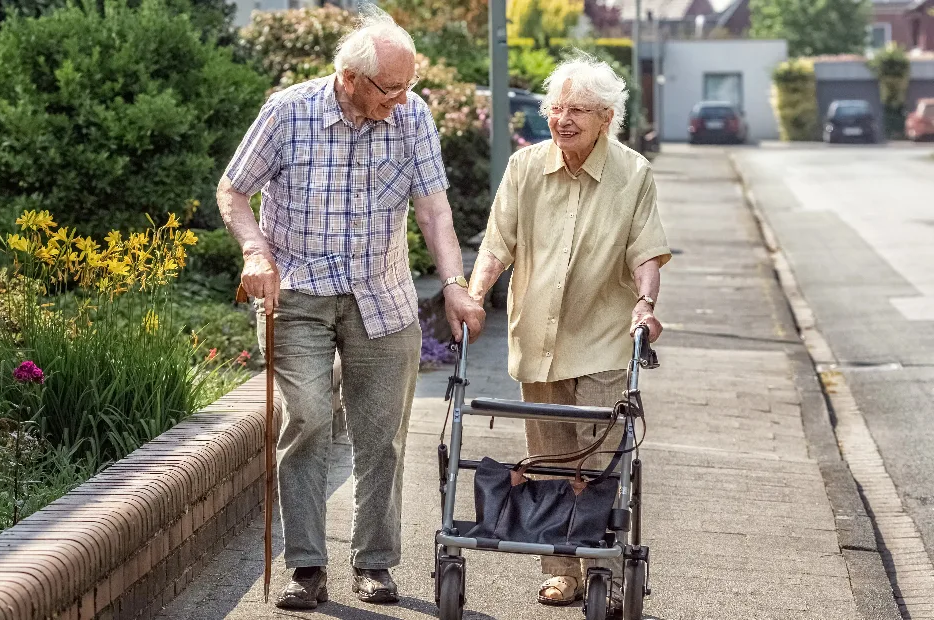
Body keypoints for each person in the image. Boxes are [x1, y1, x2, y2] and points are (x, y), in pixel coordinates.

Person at [215, 7, 485, 611]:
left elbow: (434, 210)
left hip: (381, 296)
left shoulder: (412, 116)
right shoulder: (289, 111)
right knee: (308, 418)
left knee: (382, 436)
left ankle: (375, 563)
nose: (401, 98)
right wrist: (255, 252)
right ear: (348, 78)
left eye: (407, 85)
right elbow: (233, 189)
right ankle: (306, 567)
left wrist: (455, 283)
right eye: (390, 88)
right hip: (300, 294)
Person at [467, 52, 671, 609]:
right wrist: (475, 295)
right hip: (537, 339)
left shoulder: (633, 173)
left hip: (604, 337)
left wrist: (646, 305)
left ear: (607, 116)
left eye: (577, 109)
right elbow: (497, 243)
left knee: (600, 459)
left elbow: (645, 249)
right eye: (555, 108)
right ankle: (561, 570)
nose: (562, 119)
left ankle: (601, 566)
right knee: (550, 460)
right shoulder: (524, 168)